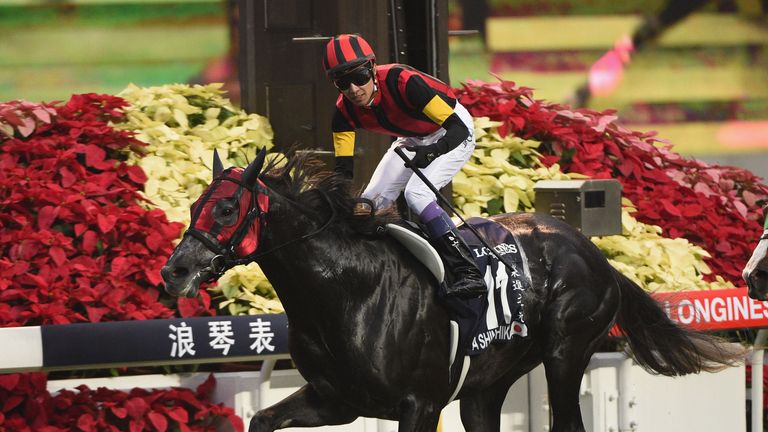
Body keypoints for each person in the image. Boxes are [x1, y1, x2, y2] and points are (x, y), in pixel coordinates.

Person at [322, 33, 486, 299]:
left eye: (360, 77)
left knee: (416, 194)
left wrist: (432, 152)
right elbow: (343, 173)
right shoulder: (342, 113)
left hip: (452, 132)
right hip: (412, 137)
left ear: (373, 69)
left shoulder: (403, 83)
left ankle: (469, 272)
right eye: (343, 82)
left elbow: (456, 129)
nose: (354, 89)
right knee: (367, 203)